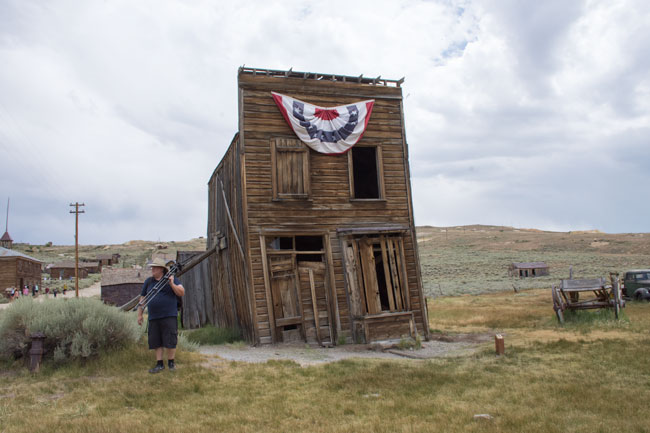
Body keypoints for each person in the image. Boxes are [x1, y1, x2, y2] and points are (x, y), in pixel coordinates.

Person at [138, 258, 185, 374]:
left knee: (170, 339)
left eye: (154, 267)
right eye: (152, 267)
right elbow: (142, 298)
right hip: (154, 316)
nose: (152, 269)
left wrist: (172, 284)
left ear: (161, 269)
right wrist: (140, 314)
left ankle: (171, 363)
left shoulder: (171, 279)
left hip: (169, 315)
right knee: (156, 341)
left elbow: (181, 292)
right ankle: (159, 364)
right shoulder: (149, 282)